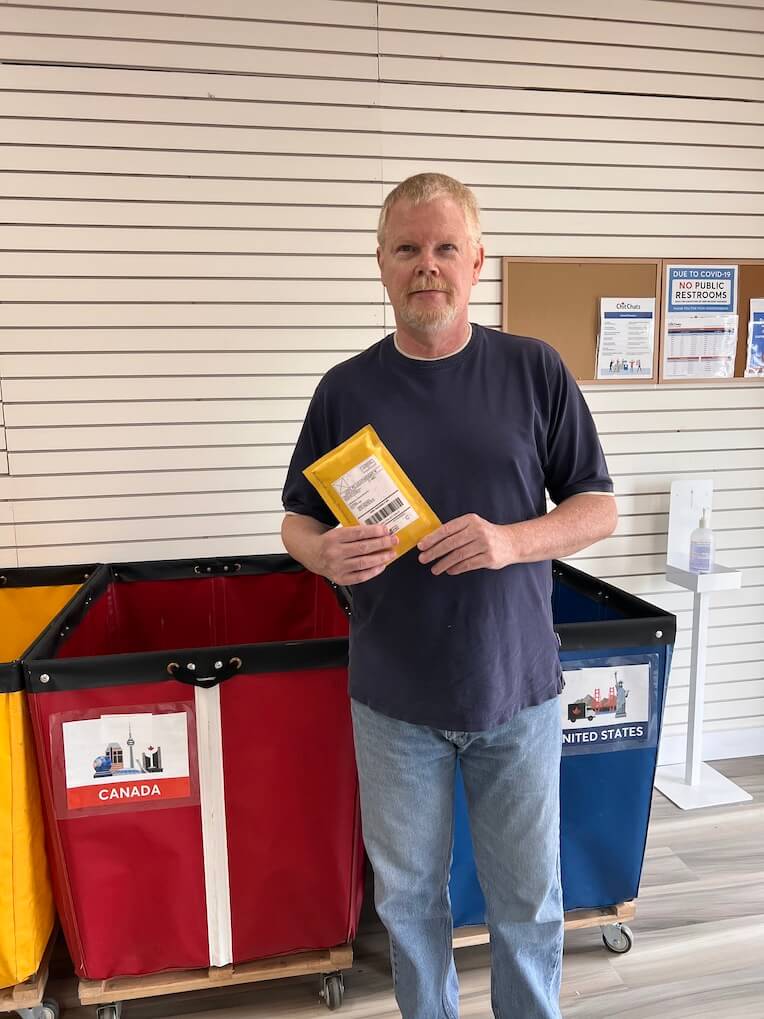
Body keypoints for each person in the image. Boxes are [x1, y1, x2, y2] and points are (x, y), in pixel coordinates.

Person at [281, 173, 617, 1019]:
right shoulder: (344, 389)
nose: (425, 265)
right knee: (409, 903)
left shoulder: (534, 370)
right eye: (407, 249)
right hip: (393, 704)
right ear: (381, 265)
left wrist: (510, 540)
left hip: (517, 690)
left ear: (476, 260)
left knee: (528, 900)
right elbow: (296, 518)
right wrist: (321, 551)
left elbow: (598, 506)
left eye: (443, 248)